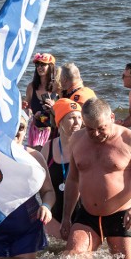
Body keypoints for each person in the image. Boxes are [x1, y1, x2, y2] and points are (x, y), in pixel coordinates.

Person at [61, 98, 131, 259]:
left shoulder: (130, 140)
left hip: (122, 215)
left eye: (101, 128)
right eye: (90, 129)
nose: (96, 134)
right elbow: (73, 180)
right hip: (87, 214)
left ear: (112, 118)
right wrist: (66, 217)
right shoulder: (77, 139)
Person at [0, 112, 55, 259]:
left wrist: (46, 206)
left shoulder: (34, 156)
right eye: (11, 127)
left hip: (27, 224)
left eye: (21, 127)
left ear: (26, 129)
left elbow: (48, 191)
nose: (16, 131)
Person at [43, 98, 85, 238]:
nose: (77, 122)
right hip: (53, 217)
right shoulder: (48, 148)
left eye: (79, 117)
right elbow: (39, 184)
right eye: (72, 118)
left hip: (83, 217)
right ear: (60, 121)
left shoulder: (87, 146)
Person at [24, 52, 58, 149]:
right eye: (37, 65)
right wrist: (28, 111)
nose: (39, 67)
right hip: (35, 131)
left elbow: (62, 111)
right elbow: (27, 109)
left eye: (43, 64)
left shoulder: (57, 87)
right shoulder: (31, 87)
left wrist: (53, 107)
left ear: (50, 66)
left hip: (52, 132)